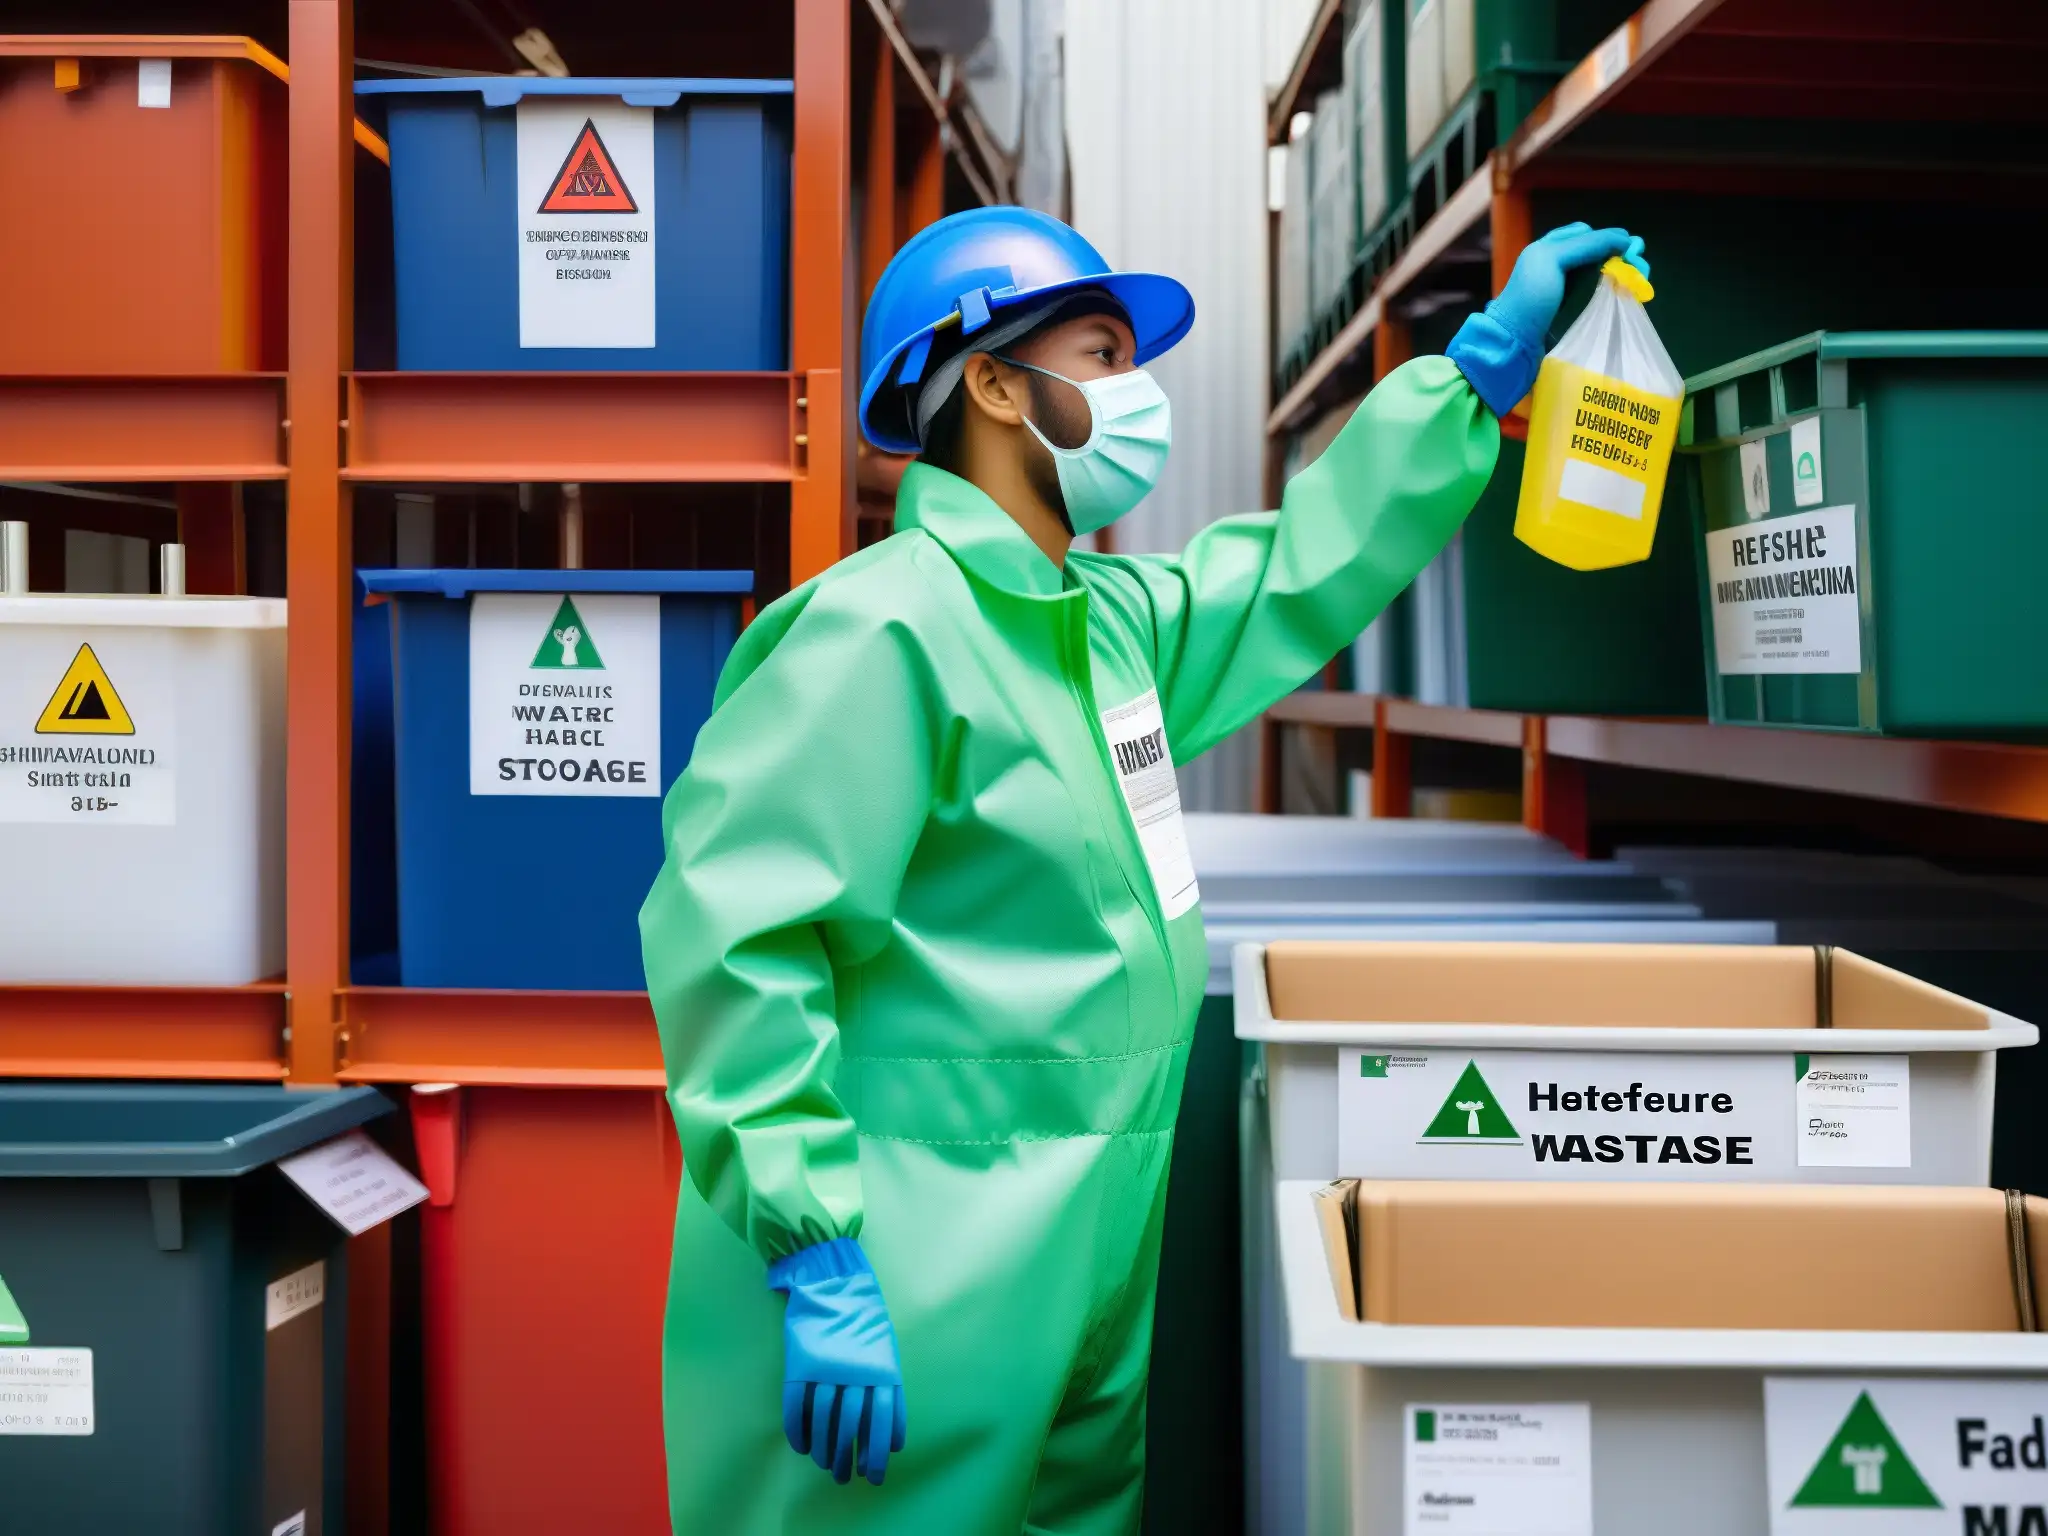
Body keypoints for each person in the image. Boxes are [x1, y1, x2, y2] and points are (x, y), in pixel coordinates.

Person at [641, 207, 1646, 1533]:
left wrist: (1476, 372)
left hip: (1090, 1244)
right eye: (1104, 353)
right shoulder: (877, 633)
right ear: (994, 383)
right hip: (904, 1270)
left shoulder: (1104, 631)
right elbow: (739, 941)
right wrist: (814, 1243)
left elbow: (1297, 564)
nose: (1141, 395)